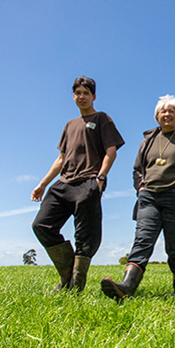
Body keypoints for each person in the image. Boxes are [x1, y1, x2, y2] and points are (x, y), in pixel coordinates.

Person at [101, 94, 175, 300]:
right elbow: (137, 170)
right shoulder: (148, 140)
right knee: (142, 241)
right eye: (163, 111)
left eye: (171, 111)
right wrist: (141, 187)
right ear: (156, 116)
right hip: (149, 198)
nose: (166, 114)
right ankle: (126, 288)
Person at [31, 76, 124, 293]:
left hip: (89, 181)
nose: (81, 97)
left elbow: (111, 151)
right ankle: (67, 278)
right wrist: (43, 184)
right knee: (41, 225)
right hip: (64, 183)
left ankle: (75, 287)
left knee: (85, 236)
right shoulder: (69, 125)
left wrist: (100, 178)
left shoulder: (102, 119)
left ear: (93, 96)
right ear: (73, 96)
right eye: (78, 93)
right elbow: (61, 159)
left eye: (86, 93)